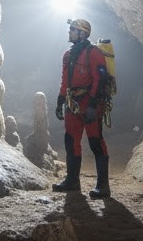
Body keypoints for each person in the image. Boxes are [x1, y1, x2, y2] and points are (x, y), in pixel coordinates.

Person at [52, 18, 110, 199]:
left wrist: (93, 105)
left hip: (89, 103)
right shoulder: (67, 55)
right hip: (73, 104)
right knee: (71, 140)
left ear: (82, 34)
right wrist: (61, 99)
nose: (69, 33)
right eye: (70, 30)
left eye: (72, 30)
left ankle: (103, 186)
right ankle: (72, 181)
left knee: (95, 141)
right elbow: (65, 80)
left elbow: (100, 78)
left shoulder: (94, 53)